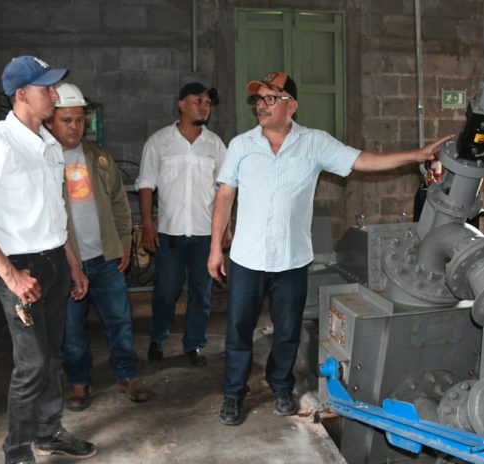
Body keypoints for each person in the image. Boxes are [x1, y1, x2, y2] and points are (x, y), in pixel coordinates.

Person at [207, 71, 453, 426]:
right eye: (259, 99)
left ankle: (280, 386)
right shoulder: (242, 145)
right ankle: (233, 394)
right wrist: (217, 248)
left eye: (270, 98)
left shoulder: (314, 143)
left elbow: (363, 160)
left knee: (288, 330)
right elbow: (225, 195)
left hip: (292, 259)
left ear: (291, 106)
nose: (261, 105)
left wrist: (417, 154)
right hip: (247, 257)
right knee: (238, 331)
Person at [0, 56, 96, 463]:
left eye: (54, 87)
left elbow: (56, 214)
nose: (54, 94)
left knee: (52, 357)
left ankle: (49, 431)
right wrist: (11, 276)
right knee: (32, 363)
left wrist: (72, 264)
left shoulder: (50, 145)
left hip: (53, 260)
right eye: (46, 89)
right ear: (21, 95)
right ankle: (16, 449)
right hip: (20, 267)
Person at [45, 82, 149, 412]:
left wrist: (123, 243)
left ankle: (127, 375)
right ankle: (79, 383)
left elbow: (119, 202)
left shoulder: (100, 158)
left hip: (105, 257)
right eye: (66, 120)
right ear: (50, 121)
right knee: (72, 329)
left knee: (119, 321)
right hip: (66, 263)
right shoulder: (43, 161)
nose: (75, 127)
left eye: (79, 120)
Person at [136, 82, 228, 367]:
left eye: (207, 102)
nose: (203, 106)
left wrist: (225, 230)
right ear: (181, 104)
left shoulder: (215, 144)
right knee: (167, 290)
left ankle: (194, 345)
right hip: (170, 233)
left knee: (201, 293)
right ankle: (158, 337)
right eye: (197, 100)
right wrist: (148, 226)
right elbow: (146, 186)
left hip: (205, 235)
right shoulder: (159, 141)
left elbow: (225, 189)